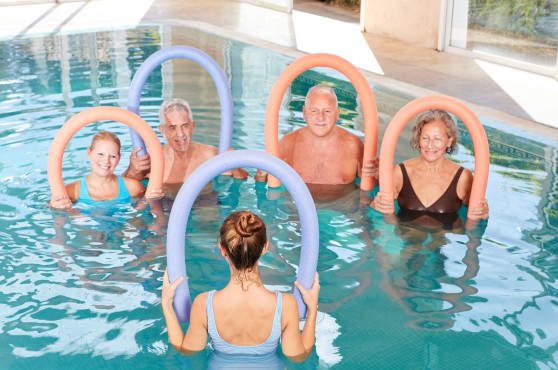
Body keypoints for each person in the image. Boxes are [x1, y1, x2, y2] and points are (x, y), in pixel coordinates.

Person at [161, 210, 320, 364]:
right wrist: (312, 309)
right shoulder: (286, 305)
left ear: (222, 249)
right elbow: (298, 357)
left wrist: (167, 304)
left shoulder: (203, 304)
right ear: (264, 247)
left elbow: (188, 351)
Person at [370, 109, 489, 219]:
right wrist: (375, 205)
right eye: (425, 138)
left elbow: (475, 222)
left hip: (444, 240)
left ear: (449, 140)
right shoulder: (401, 172)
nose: (430, 145)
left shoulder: (463, 177)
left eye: (437, 139)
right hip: (403, 238)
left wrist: (483, 213)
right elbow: (377, 215)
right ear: (418, 138)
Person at [256, 83, 376, 186]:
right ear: (304, 112)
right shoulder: (288, 143)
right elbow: (267, 182)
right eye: (314, 111)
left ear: (337, 113)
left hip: (340, 211)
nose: (320, 117)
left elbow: (370, 184)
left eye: (327, 111)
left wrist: (377, 175)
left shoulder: (353, 145)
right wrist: (260, 176)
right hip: (296, 211)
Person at [124, 98, 248, 186]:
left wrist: (235, 165)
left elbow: (242, 178)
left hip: (205, 204)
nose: (180, 134)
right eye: (173, 127)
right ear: (163, 130)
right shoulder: (153, 160)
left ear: (192, 126)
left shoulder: (209, 154)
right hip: (167, 207)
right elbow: (123, 187)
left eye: (184, 126)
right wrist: (132, 169)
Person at [49, 131, 150, 209]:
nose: (106, 161)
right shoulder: (72, 191)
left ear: (119, 159)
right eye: (100, 154)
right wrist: (55, 207)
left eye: (113, 156)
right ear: (89, 153)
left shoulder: (133, 187)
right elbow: (56, 212)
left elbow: (143, 214)